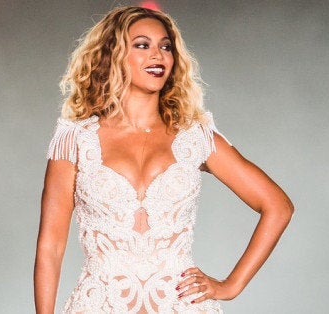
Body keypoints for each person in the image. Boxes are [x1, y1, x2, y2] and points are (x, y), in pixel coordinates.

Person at [33, 6, 293, 314]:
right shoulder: (75, 140)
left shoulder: (195, 138)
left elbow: (277, 206)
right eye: (142, 45)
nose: (158, 55)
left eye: (165, 46)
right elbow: (51, 248)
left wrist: (230, 285)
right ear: (113, 54)